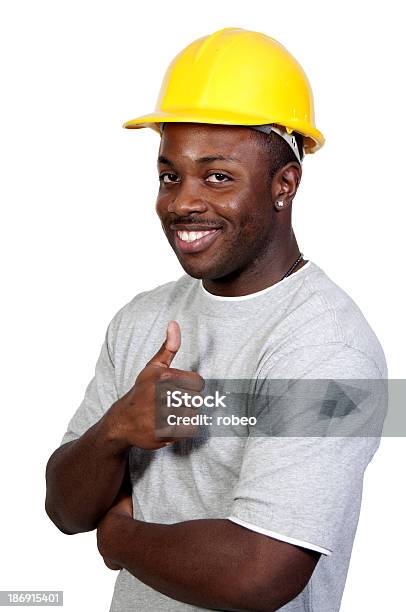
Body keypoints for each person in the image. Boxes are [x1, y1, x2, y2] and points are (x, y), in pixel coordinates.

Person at [45, 27, 387, 611]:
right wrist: (116, 430)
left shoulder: (328, 347)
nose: (181, 201)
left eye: (218, 176)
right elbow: (64, 507)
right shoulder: (142, 318)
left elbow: (260, 574)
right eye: (170, 174)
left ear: (285, 184)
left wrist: (122, 537)